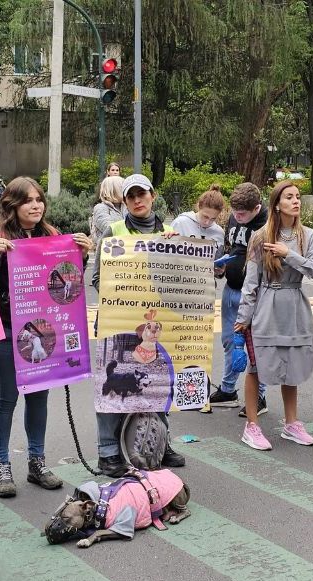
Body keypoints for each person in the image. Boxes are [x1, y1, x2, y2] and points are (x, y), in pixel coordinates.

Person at [0, 177, 91, 497]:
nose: (35, 205)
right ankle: (1, 465)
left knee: (38, 394)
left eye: (39, 200)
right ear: (12, 205)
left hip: (43, 328)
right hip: (5, 327)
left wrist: (81, 256)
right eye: (28, 200)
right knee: (5, 398)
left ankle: (37, 461)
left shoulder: (52, 235)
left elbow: (67, 284)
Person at [95, 174, 186, 476]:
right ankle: (108, 452)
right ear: (124, 200)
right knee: (112, 387)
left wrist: (179, 253)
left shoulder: (172, 233)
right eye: (131, 196)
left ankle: (161, 442)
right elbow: (97, 278)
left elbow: (183, 280)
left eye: (141, 194)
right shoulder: (114, 230)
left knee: (158, 384)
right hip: (119, 323)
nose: (137, 200)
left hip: (157, 323)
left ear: (153, 196)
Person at [235, 180, 313, 451]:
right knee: (256, 365)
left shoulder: (307, 235)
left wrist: (289, 254)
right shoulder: (260, 236)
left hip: (295, 304)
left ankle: (291, 423)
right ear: (277, 204)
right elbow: (251, 281)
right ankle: (252, 426)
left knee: (292, 364)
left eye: (297, 196)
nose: (296, 201)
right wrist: (243, 317)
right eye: (289, 197)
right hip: (267, 303)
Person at [210, 183, 269, 414]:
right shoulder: (235, 218)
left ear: (256, 208)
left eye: (242, 214)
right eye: (234, 213)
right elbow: (231, 245)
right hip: (232, 288)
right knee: (229, 341)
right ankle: (228, 389)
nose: (236, 217)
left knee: (255, 347)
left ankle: (260, 396)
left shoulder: (267, 223)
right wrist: (222, 267)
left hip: (256, 294)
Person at [88, 175, 124, 288]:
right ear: (113, 190)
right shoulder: (101, 208)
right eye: (122, 187)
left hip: (125, 256)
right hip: (109, 257)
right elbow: (109, 227)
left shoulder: (125, 207)